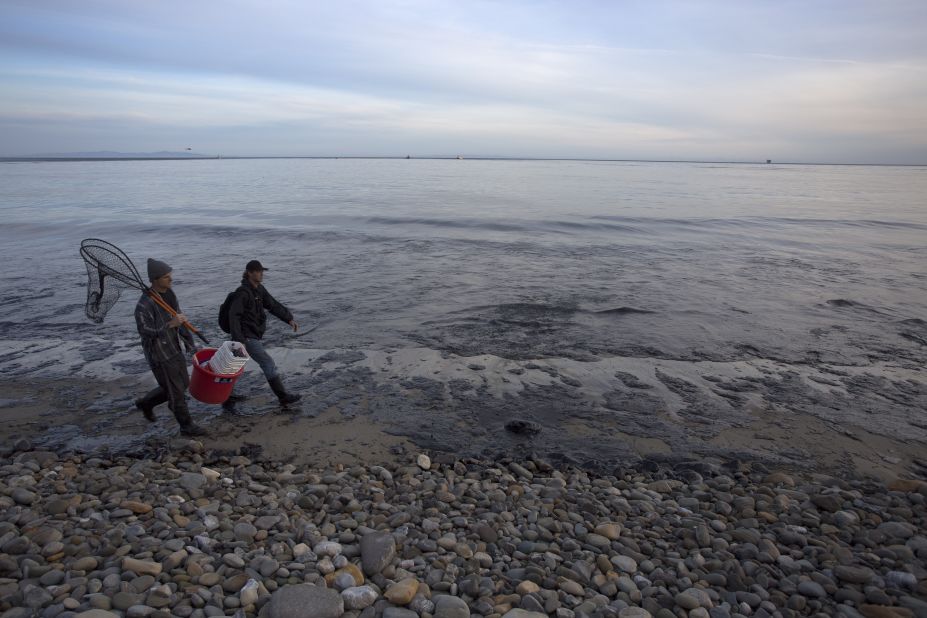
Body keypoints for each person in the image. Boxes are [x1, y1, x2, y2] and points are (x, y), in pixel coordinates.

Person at [134, 258, 207, 436]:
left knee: (182, 384)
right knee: (176, 393)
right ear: (155, 279)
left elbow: (179, 318)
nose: (171, 280)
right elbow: (145, 331)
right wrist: (170, 325)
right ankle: (186, 426)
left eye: (170, 276)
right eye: (166, 277)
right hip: (160, 355)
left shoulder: (169, 294)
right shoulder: (143, 305)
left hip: (174, 349)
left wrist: (189, 342)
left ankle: (146, 403)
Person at [225, 260, 301, 405]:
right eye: (258, 271)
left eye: (262, 271)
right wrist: (239, 339)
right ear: (249, 273)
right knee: (267, 362)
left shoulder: (259, 289)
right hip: (245, 336)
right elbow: (233, 316)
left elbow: (272, 304)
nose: (261, 274)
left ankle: (227, 395)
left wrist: (289, 319)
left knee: (235, 364)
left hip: (249, 335)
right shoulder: (243, 293)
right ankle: (282, 396)